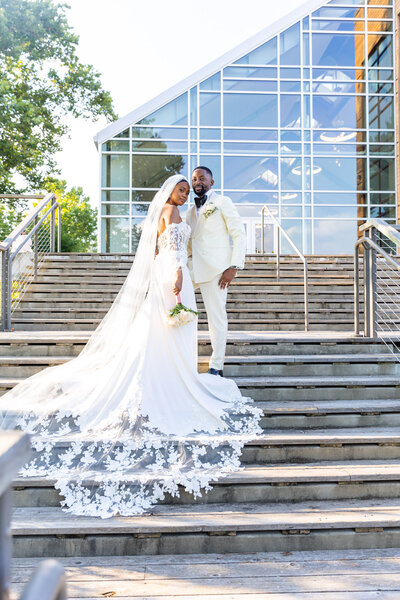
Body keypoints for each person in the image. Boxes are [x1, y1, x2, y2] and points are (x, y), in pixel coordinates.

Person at [0, 174, 262, 518]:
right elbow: (166, 248)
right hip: (177, 275)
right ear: (170, 191)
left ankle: (181, 371)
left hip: (187, 272)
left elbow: (185, 242)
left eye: (190, 187)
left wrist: (210, 266)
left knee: (182, 328)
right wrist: (175, 274)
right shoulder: (170, 211)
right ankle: (167, 377)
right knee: (172, 328)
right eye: (182, 188)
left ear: (206, 184)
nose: (186, 192)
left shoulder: (198, 210)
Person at [186, 167, 246, 376]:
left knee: (216, 317)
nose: (197, 182)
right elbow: (190, 239)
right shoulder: (190, 211)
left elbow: (238, 233)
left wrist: (234, 266)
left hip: (217, 271)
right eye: (194, 179)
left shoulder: (222, 202)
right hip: (193, 270)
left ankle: (216, 366)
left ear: (212, 182)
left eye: (202, 178)